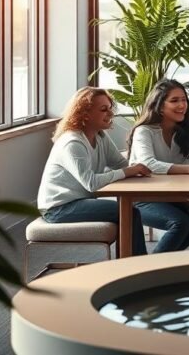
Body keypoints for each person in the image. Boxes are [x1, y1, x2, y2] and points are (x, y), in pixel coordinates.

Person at [37, 87, 151, 256]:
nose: (110, 114)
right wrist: (128, 172)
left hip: (78, 202)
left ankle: (129, 263)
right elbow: (91, 183)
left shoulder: (100, 136)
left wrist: (142, 166)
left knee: (128, 211)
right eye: (103, 109)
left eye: (110, 108)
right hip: (58, 208)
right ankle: (138, 266)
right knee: (130, 212)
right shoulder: (72, 142)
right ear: (84, 113)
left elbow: (120, 163)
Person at [129, 79, 189, 252]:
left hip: (171, 195)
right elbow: (147, 164)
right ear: (159, 106)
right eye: (175, 100)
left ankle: (161, 264)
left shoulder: (188, 129)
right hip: (141, 198)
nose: (182, 105)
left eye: (184, 100)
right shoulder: (144, 131)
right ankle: (154, 270)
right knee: (180, 222)